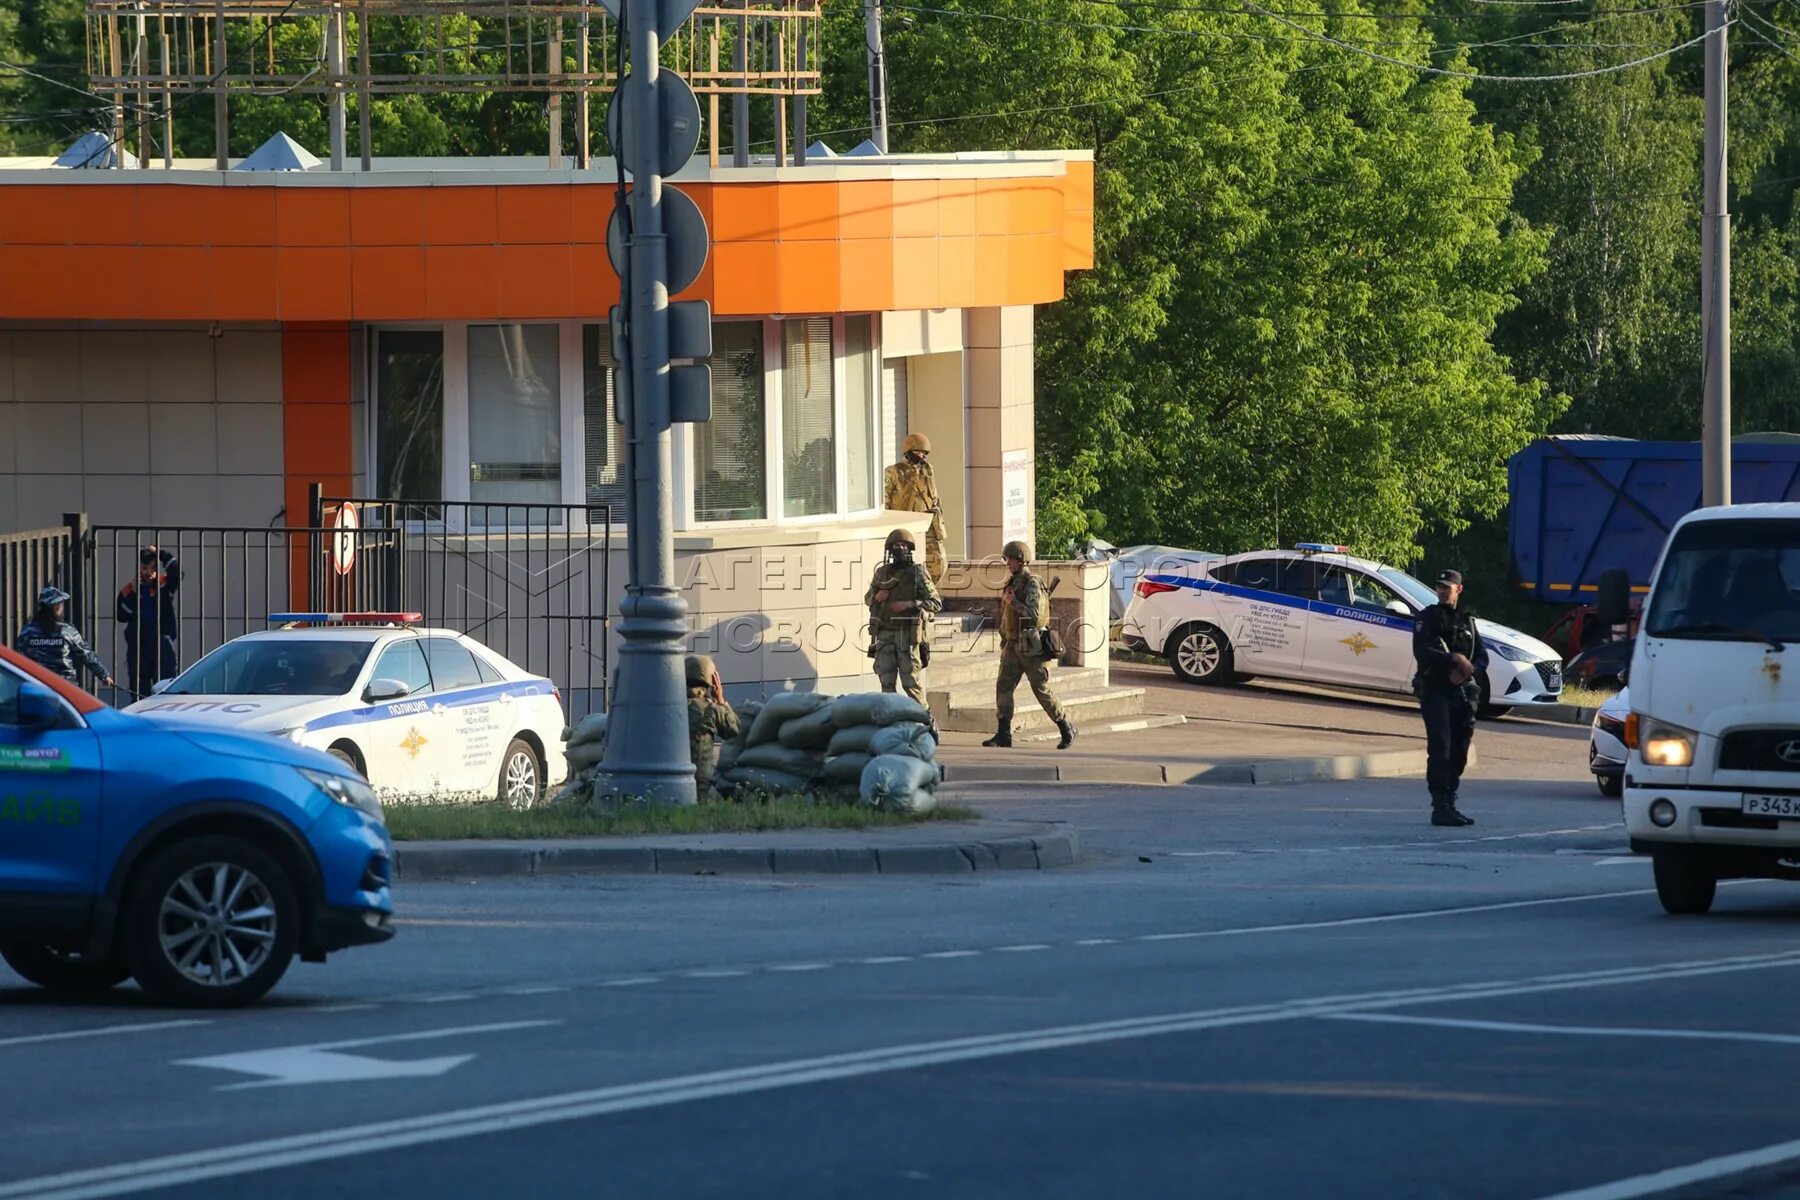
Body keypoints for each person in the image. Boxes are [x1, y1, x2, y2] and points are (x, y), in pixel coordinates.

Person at [1412, 568, 1487, 827]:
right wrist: (1453, 659)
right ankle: (1439, 806)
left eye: (1448, 586)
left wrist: (1469, 669)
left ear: (1459, 589)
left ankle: (1451, 801)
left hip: (1462, 693)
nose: (1443, 591)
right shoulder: (1427, 618)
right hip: (1436, 690)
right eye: (1439, 586)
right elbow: (1422, 651)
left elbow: (1482, 657)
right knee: (1441, 747)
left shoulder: (1468, 622)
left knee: (1460, 750)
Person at [984, 540, 1076, 750]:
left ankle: (1066, 727)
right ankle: (1003, 734)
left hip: (1031, 647)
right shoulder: (1013, 582)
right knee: (1003, 687)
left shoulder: (1033, 583)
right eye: (1006, 559)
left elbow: (1034, 616)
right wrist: (1004, 637)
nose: (1007, 563)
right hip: (1013, 645)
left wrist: (1013, 602)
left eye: (1011, 560)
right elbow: (1007, 616)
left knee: (1041, 689)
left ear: (1021, 561)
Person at [866, 527, 942, 705]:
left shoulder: (918, 573)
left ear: (909, 549)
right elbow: (868, 598)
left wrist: (910, 604)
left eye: (903, 545)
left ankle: (926, 723)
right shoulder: (882, 573)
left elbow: (935, 602)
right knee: (886, 684)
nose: (899, 549)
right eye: (895, 545)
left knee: (911, 685)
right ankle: (892, 722)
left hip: (907, 636)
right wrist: (877, 597)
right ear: (890, 549)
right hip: (885, 636)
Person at [14, 586, 113, 692]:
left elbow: (17, 657)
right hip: (65, 689)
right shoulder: (67, 631)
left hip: (37, 686)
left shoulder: (27, 631)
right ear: (57, 607)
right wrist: (104, 675)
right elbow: (86, 655)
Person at [117, 545, 181, 700]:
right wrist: (134, 593)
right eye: (145, 568)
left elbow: (176, 571)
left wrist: (159, 553)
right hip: (138, 643)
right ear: (139, 568)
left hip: (162, 640)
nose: (149, 572)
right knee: (139, 689)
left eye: (152, 568)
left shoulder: (163, 585)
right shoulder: (128, 590)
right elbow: (122, 615)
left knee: (167, 686)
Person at [884, 433, 947, 584]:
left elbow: (934, 495)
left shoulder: (927, 470)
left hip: (928, 522)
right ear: (908, 452)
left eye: (924, 453)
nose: (922, 457)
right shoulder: (893, 472)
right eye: (919, 453)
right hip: (906, 524)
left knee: (938, 563)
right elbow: (884, 498)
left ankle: (927, 589)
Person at [686, 653, 741, 799]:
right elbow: (734, 730)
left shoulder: (669, 707)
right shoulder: (710, 709)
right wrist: (720, 699)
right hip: (701, 786)